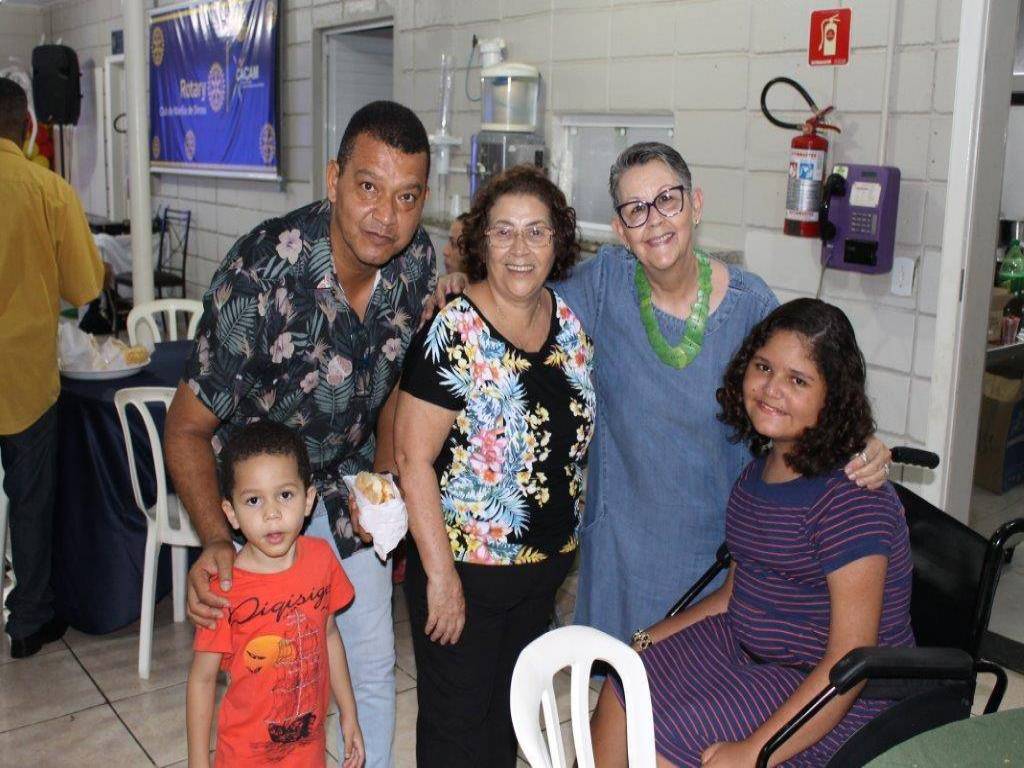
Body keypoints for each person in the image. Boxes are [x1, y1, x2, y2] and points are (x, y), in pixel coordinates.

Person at [432, 143, 892, 644]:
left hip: (718, 552)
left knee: (698, 681)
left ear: (696, 204)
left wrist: (860, 442)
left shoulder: (751, 305)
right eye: (635, 209)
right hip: (620, 549)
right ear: (620, 230)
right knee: (615, 680)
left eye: (667, 200)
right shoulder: (603, 284)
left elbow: (808, 388)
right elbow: (520, 304)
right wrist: (466, 287)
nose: (654, 220)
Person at [165, 100, 437, 767]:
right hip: (260, 502)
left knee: (369, 667)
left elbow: (394, 381)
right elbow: (187, 428)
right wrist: (217, 540)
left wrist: (380, 482)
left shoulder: (416, 266)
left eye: (406, 197)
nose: (385, 216)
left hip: (346, 492)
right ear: (334, 179)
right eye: (368, 187)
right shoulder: (261, 273)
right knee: (272, 682)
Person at [590, 298, 914, 768]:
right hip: (749, 648)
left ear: (833, 398)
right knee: (624, 684)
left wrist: (754, 750)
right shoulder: (756, 477)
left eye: (798, 380)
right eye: (763, 367)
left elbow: (850, 660)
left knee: (667, 743)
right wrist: (640, 642)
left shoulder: (852, 501)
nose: (772, 389)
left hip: (836, 687)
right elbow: (734, 596)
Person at [395, 165, 595, 767]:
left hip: (540, 578)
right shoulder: (454, 329)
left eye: (536, 231)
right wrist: (441, 578)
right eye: (503, 231)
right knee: (458, 734)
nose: (519, 248)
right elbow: (411, 457)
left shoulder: (569, 323)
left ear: (558, 242)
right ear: (482, 242)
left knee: (508, 728)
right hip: (464, 576)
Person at [186, 422, 365, 768]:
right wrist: (197, 761)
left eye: (285, 495)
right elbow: (202, 679)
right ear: (231, 513)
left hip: (308, 753)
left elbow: (329, 635)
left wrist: (348, 712)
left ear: (308, 499)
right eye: (254, 500)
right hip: (244, 758)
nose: (272, 513)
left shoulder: (322, 560)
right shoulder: (224, 588)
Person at [0, 77, 105, 658]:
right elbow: (85, 285)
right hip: (24, 376)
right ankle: (28, 622)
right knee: (31, 500)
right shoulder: (47, 190)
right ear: (27, 128)